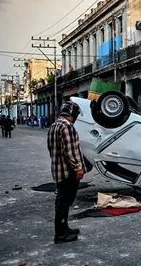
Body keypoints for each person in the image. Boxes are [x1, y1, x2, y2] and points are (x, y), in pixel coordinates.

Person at [47, 101, 87, 244]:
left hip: (58, 170)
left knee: (63, 201)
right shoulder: (67, 126)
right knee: (64, 202)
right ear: (73, 114)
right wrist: (79, 168)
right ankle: (61, 235)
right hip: (68, 172)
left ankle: (64, 228)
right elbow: (70, 152)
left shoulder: (54, 125)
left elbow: (51, 148)